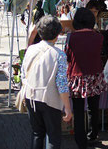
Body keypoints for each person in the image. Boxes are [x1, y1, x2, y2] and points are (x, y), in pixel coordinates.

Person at [21, 15, 72, 149]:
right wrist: (67, 107)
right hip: (50, 100)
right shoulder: (59, 55)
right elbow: (61, 83)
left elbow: (23, 74)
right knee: (54, 137)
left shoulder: (30, 50)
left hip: (31, 96)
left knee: (37, 134)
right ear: (57, 33)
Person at [65, 8, 106, 149]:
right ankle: (93, 135)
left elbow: (67, 57)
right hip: (95, 75)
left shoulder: (71, 37)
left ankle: (80, 141)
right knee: (94, 108)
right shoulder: (99, 36)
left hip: (77, 76)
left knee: (78, 110)